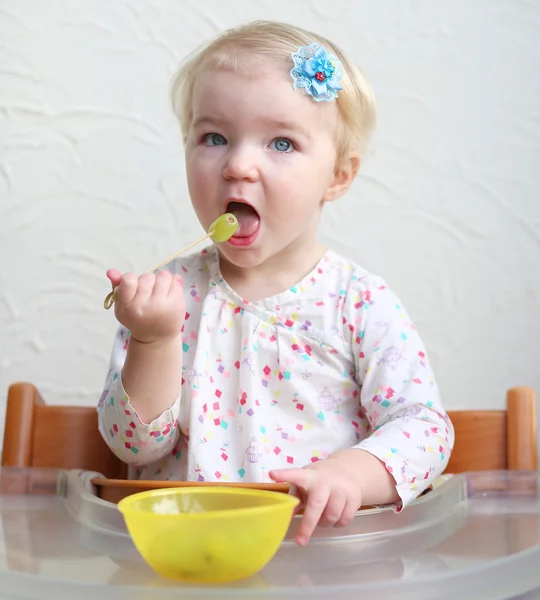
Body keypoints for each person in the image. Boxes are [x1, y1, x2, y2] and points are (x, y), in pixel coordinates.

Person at [97, 20, 454, 546]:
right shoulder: (164, 296)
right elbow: (132, 447)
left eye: (281, 143)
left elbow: (425, 427)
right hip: (186, 557)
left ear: (338, 176)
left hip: (319, 561)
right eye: (213, 137)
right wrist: (153, 340)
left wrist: (355, 473)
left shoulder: (358, 303)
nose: (238, 165)